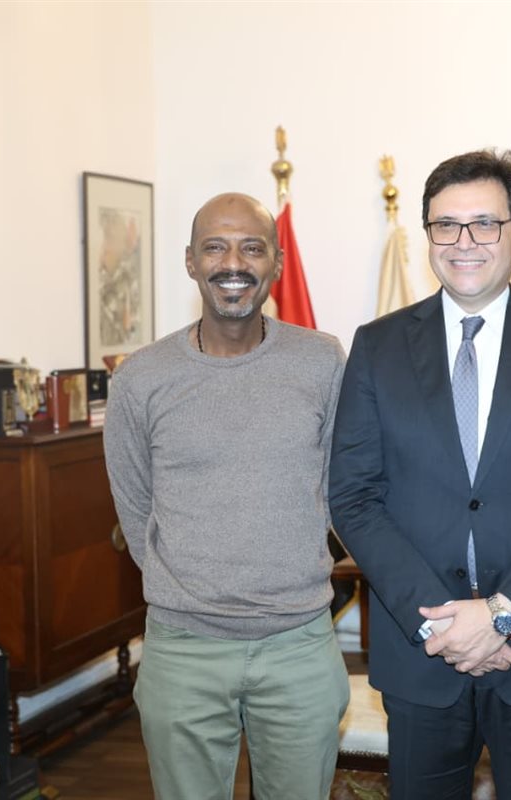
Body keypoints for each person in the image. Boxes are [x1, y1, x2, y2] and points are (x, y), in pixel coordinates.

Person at [329, 149, 511, 799]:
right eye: (446, 224)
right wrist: (440, 624)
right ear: (428, 235)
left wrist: (501, 614)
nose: (464, 242)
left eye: (485, 223)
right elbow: (353, 496)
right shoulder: (377, 346)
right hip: (422, 648)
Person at [103, 192, 349, 800]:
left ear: (277, 263)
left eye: (251, 247)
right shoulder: (140, 378)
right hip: (183, 651)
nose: (232, 263)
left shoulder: (322, 361)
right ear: (190, 261)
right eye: (214, 247)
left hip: (298, 646)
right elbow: (134, 506)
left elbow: (338, 487)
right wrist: (191, 590)